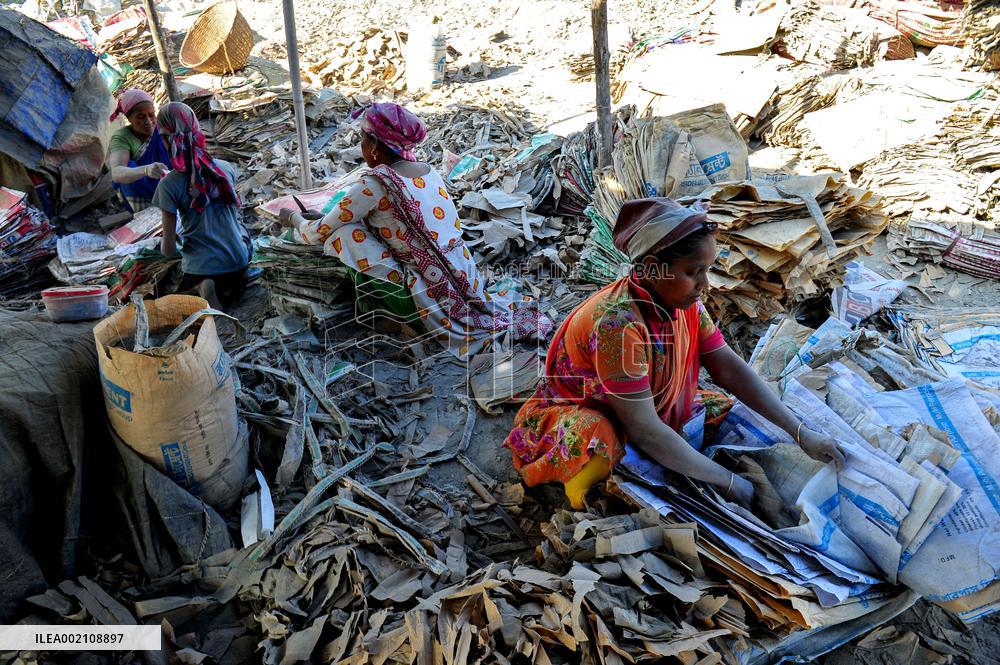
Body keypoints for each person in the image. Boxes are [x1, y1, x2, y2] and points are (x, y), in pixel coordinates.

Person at [504, 197, 844, 509]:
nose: (705, 284)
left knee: (722, 410)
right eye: (693, 272)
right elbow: (646, 430)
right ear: (652, 268)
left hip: (641, 408)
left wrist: (800, 433)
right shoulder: (617, 326)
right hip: (589, 412)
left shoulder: (682, 303)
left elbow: (727, 367)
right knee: (600, 440)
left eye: (707, 270)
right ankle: (579, 491)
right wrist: (725, 481)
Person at [278, 102, 551, 358]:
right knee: (352, 225)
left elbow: (315, 233)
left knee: (343, 234)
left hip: (426, 289)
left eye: (362, 139)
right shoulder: (427, 171)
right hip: (464, 277)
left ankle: (388, 313)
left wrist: (292, 218)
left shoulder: (374, 184)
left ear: (374, 145)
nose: (360, 146)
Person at [151, 102, 251, 311]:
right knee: (243, 235)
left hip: (202, 269)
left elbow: (168, 250)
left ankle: (201, 287)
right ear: (198, 131)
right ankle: (236, 282)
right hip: (239, 261)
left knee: (166, 283)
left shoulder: (168, 185)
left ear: (165, 140)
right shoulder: (225, 169)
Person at [107, 89, 170, 212]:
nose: (148, 121)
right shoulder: (122, 137)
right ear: (129, 118)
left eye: (151, 115)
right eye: (140, 117)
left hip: (166, 183)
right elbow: (117, 172)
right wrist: (146, 170)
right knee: (128, 166)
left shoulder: (163, 129)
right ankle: (145, 212)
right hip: (142, 188)